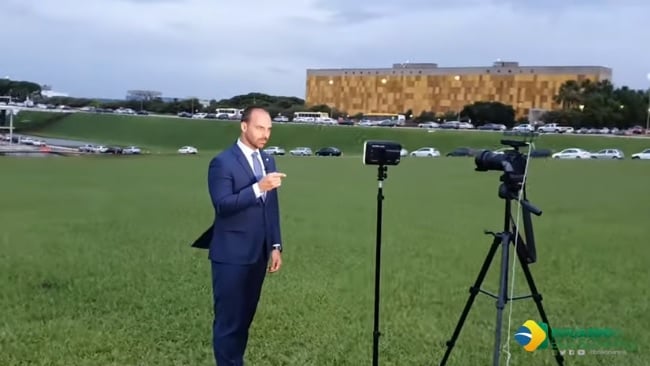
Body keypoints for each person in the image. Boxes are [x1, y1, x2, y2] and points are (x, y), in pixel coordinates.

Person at [206, 106, 286, 366]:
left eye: (269, 129)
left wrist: (275, 245)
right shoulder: (222, 162)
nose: (265, 134)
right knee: (229, 323)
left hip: (258, 254)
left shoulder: (268, 160)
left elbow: (271, 207)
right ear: (244, 126)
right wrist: (257, 187)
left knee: (243, 321)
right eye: (260, 128)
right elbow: (223, 205)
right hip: (230, 256)